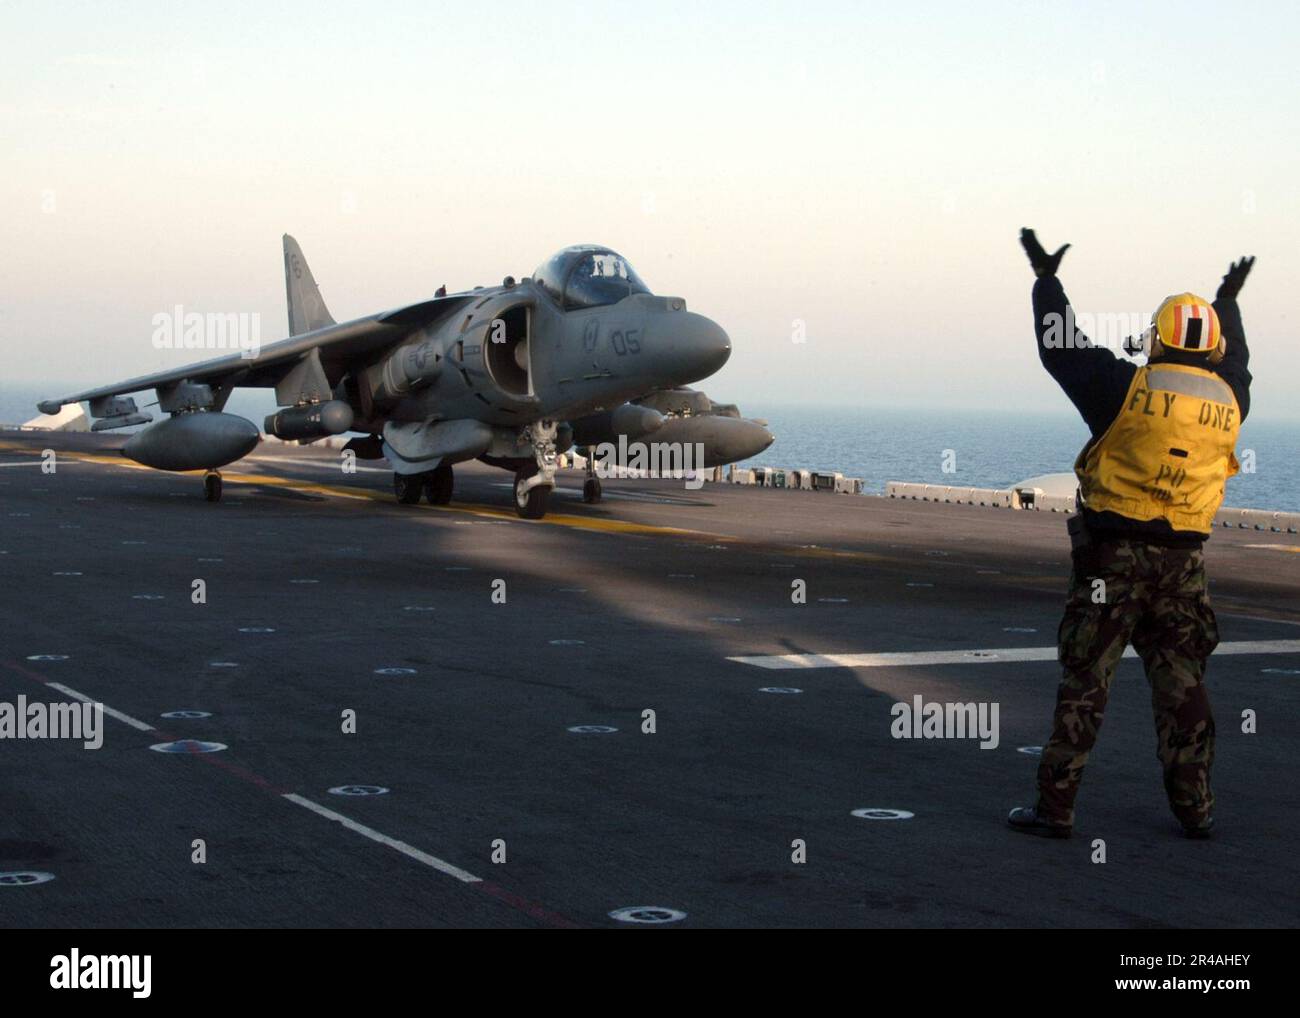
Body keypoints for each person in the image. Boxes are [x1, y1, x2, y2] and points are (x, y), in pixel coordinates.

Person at [1008, 228, 1254, 840]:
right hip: (1184, 566)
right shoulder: (1232, 400)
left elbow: (1060, 349)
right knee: (1183, 684)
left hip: (1111, 561)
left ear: (1160, 338)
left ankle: (1056, 809)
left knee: (1087, 679)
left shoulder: (1125, 389)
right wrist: (1228, 302)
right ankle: (1196, 809)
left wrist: (1047, 282)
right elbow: (1239, 361)